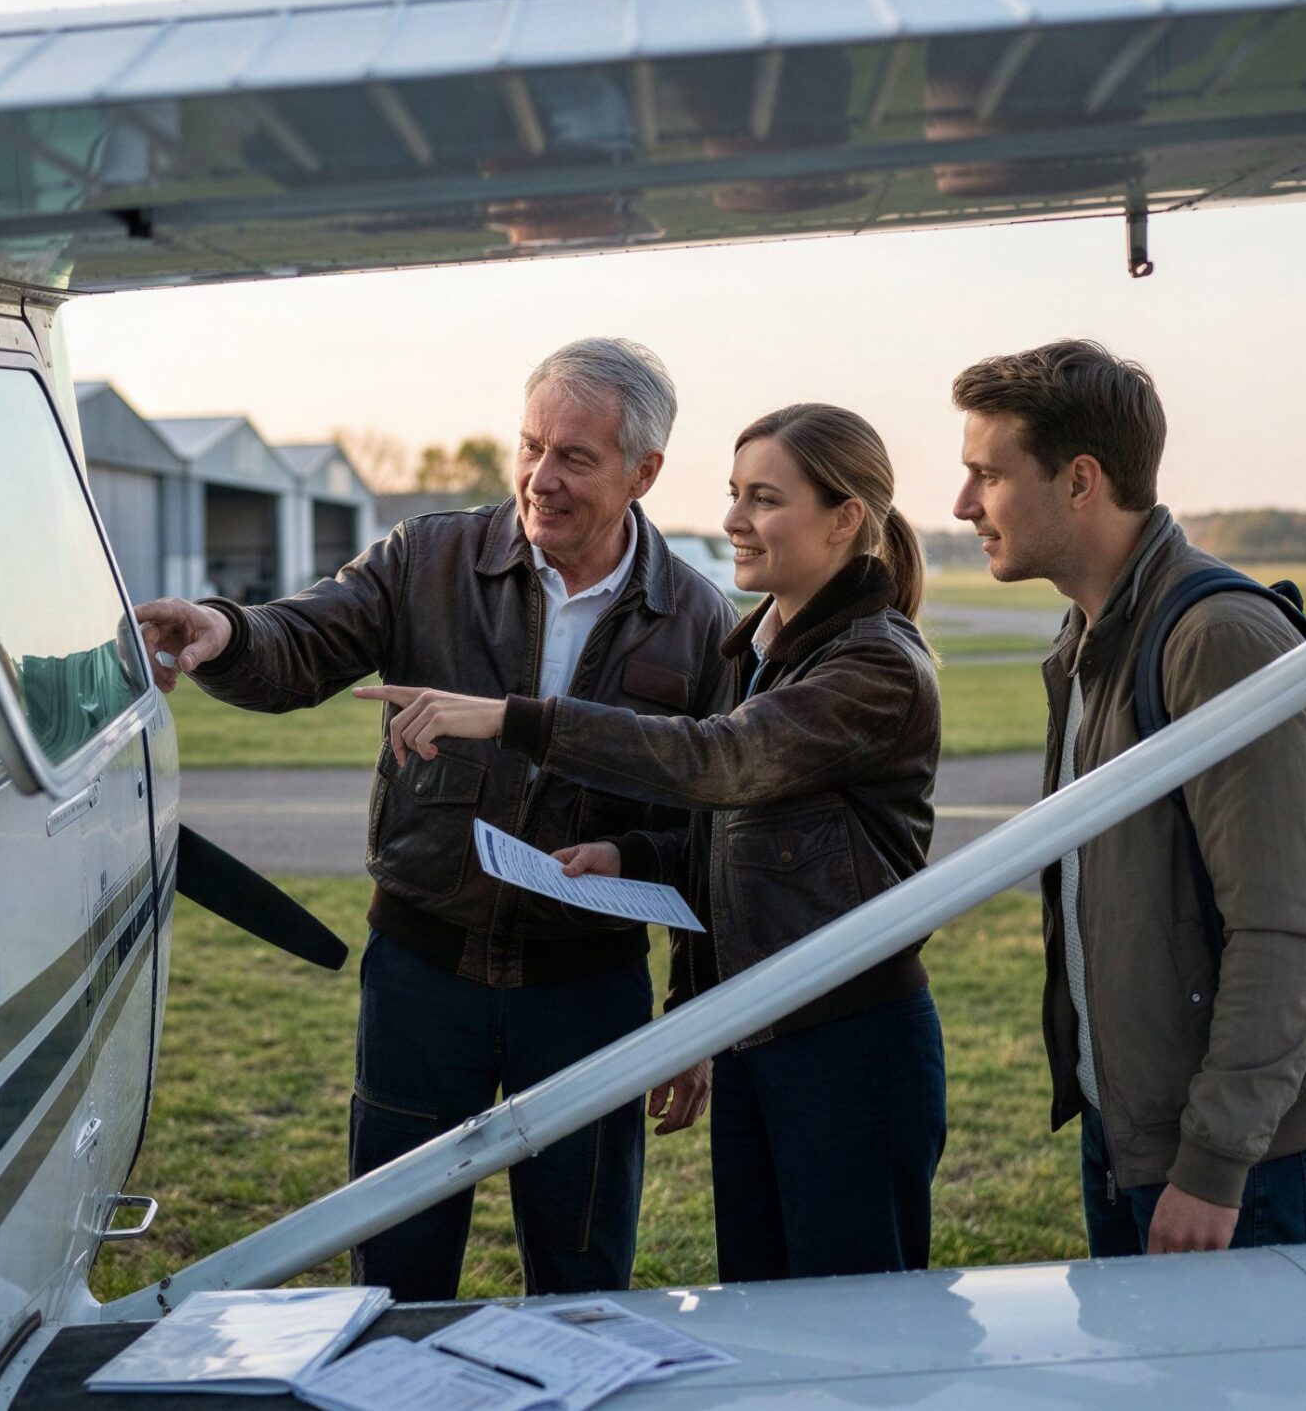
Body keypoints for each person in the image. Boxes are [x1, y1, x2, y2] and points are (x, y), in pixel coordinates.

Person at [134, 338, 734, 1302]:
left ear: (646, 472)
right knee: (398, 1273)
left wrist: (697, 1006)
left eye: (576, 456)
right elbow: (305, 636)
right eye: (531, 444)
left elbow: (709, 831)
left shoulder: (700, 621)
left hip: (588, 994)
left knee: (584, 1278)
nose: (541, 477)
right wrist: (229, 631)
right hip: (422, 979)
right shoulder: (427, 556)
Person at [360, 402, 946, 1281]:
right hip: (761, 1028)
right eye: (734, 494)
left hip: (844, 1044)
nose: (733, 521)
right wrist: (634, 859)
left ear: (844, 520)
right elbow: (741, 834)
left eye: (765, 499)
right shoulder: (771, 648)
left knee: (854, 1322)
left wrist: (511, 718)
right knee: (763, 1307)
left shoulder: (876, 664)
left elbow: (722, 760)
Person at [950, 339, 1306, 1257]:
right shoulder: (1092, 633)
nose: (963, 504)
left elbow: (1286, 927)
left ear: (1080, 480)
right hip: (1136, 1131)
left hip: (1239, 1158)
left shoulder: (1215, 639)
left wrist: (1214, 1165)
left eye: (987, 474)